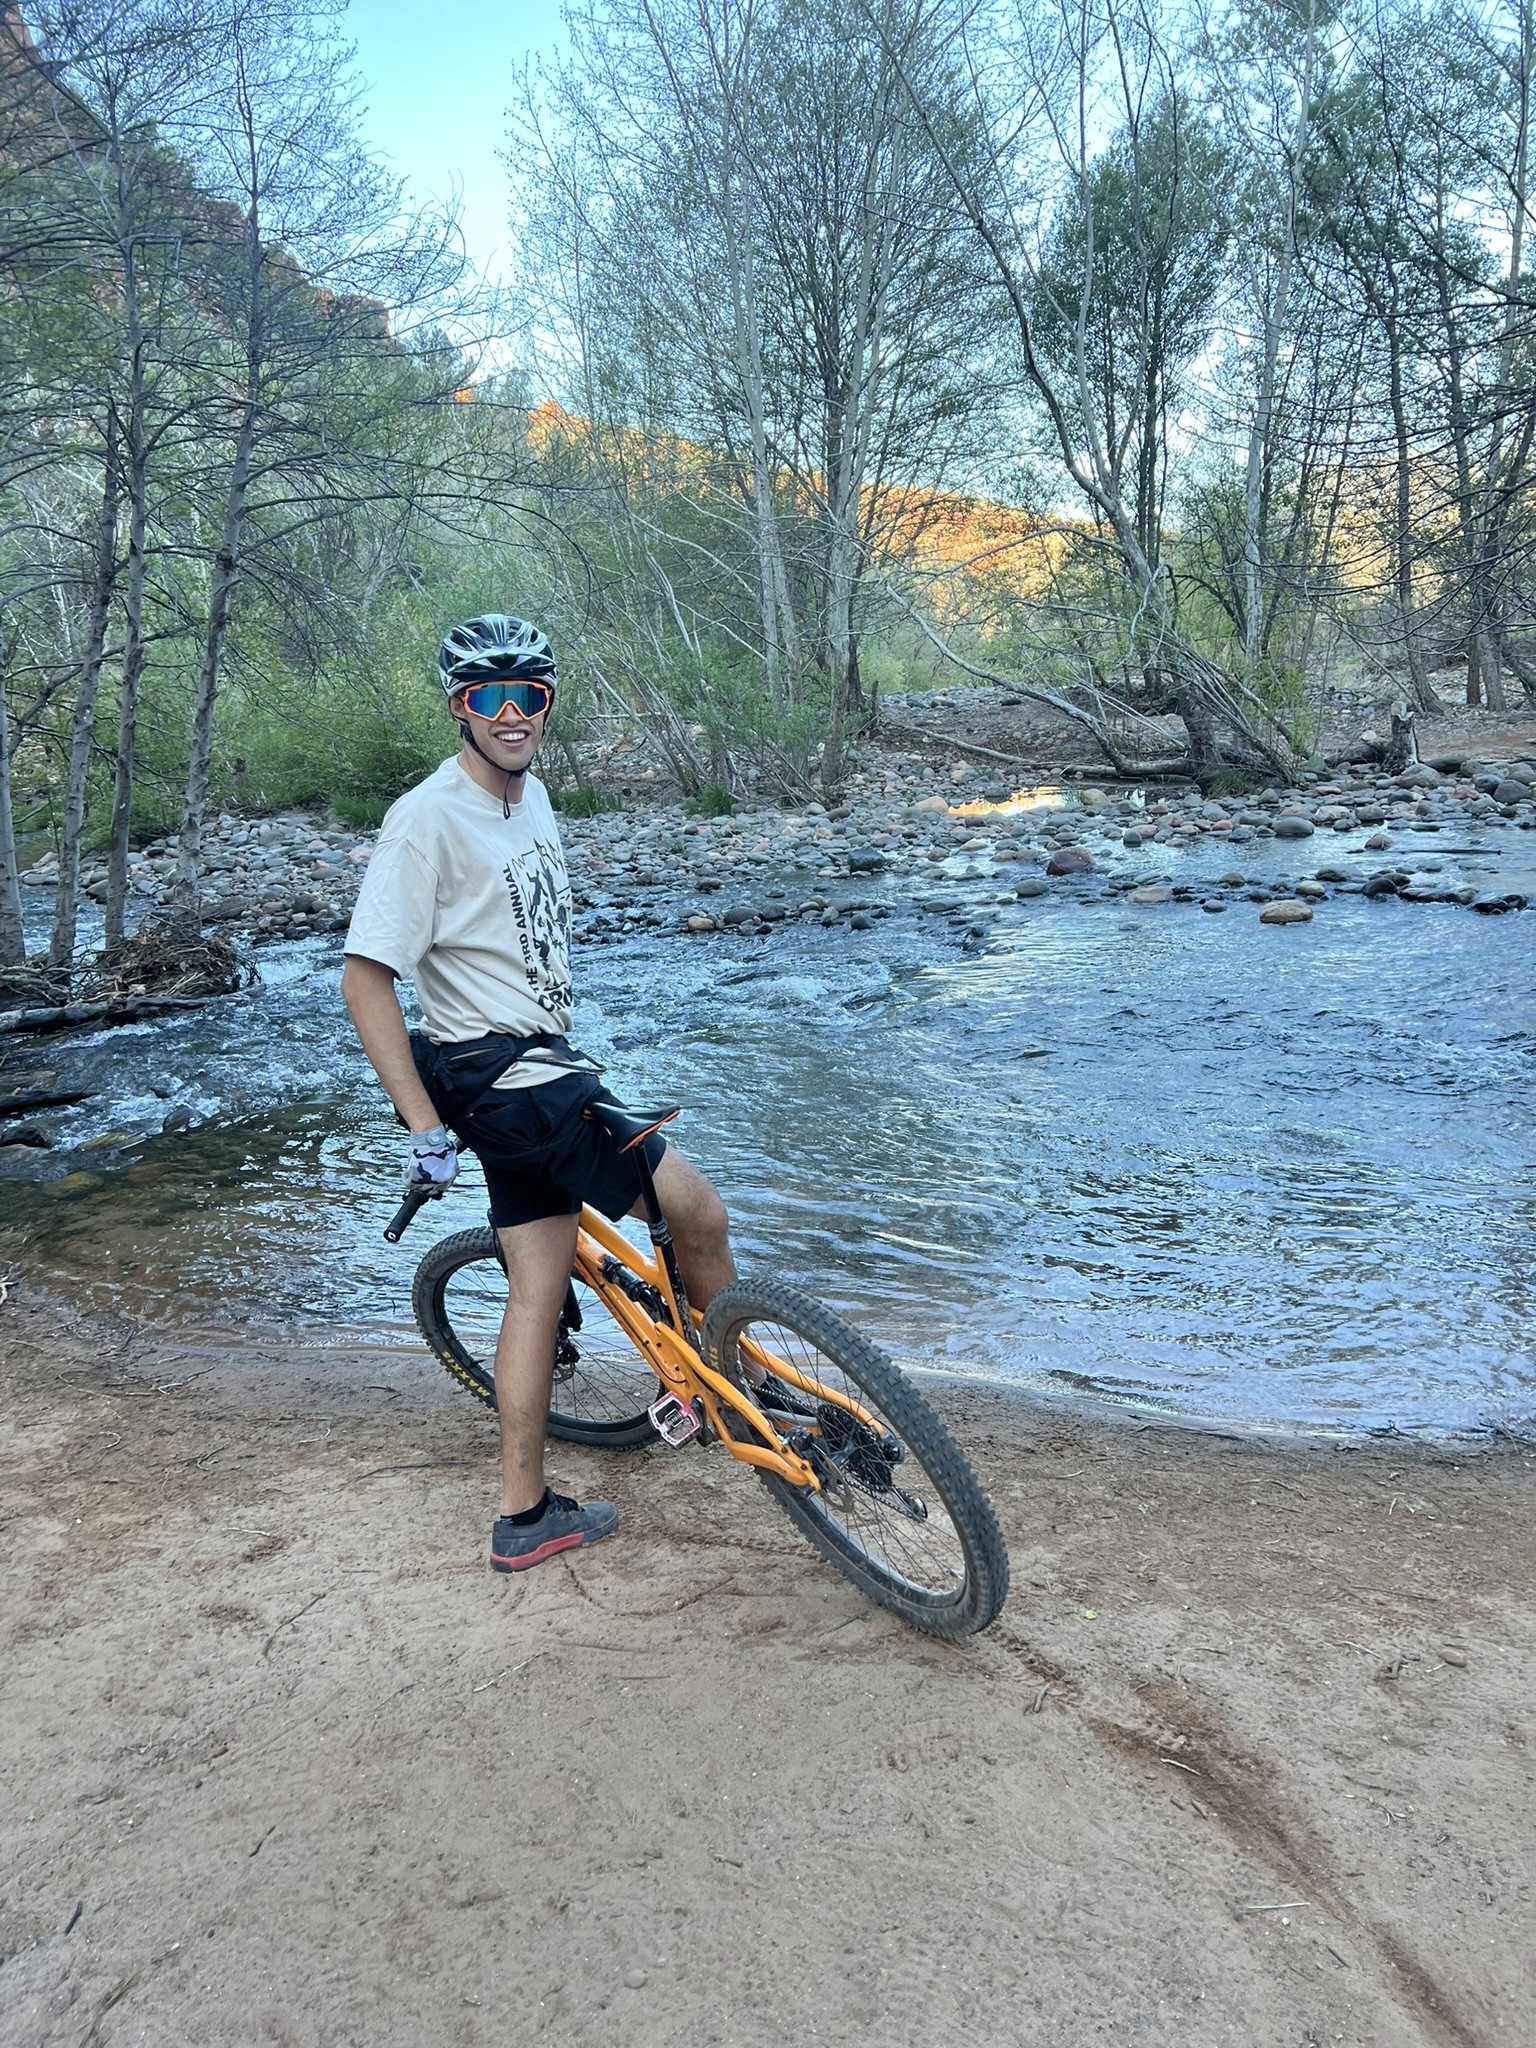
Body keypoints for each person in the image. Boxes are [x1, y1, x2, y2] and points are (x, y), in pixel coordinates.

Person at [340, 613, 737, 1573]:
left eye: (531, 697)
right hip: (508, 1079)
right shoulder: (423, 821)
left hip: (527, 1067)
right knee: (701, 1214)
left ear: (548, 706)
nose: (512, 714)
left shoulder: (534, 797)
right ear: (459, 710)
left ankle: (526, 1517)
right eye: (490, 697)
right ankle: (733, 1398)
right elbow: (365, 978)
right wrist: (423, 1126)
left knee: (535, 1287)